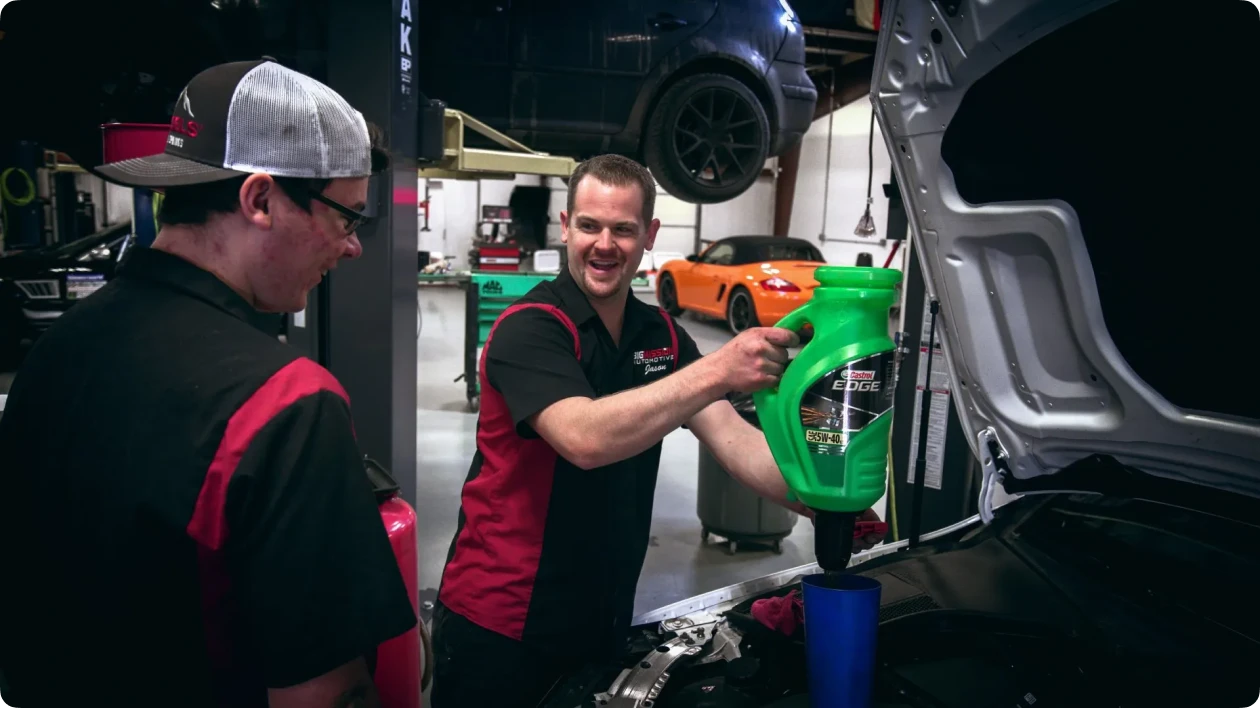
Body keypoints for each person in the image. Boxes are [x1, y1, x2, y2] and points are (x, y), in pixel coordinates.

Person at [0, 58, 416, 707]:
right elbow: (323, 695)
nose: (353, 246)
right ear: (260, 200)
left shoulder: (57, 349)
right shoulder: (286, 405)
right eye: (347, 217)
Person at [430, 154, 884, 707]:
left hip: (602, 616)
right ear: (566, 226)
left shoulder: (662, 336)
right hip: (500, 624)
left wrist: (825, 496)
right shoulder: (529, 329)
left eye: (623, 229)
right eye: (590, 225)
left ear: (649, 235)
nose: (604, 245)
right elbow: (584, 439)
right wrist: (719, 369)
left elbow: (735, 440)